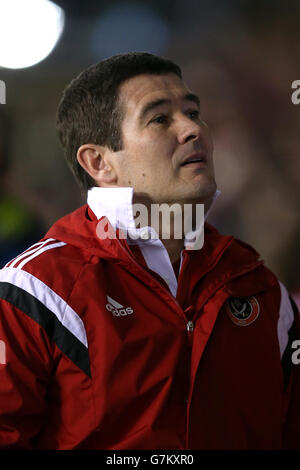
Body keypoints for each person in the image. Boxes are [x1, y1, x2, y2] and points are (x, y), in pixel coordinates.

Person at [0, 52, 299, 450]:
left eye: (193, 112)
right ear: (99, 163)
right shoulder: (34, 291)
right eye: (160, 118)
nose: (193, 128)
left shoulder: (260, 286)